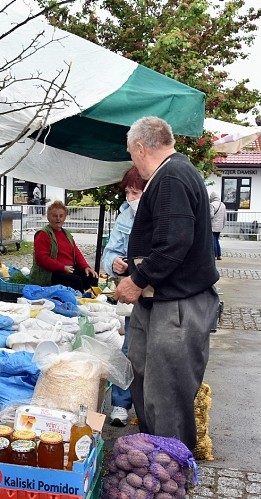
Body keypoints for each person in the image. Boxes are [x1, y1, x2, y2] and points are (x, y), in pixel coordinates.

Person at [114, 116, 219, 452]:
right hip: (167, 301)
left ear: (141, 147)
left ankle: (167, 470)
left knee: (168, 391)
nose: (133, 161)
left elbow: (174, 243)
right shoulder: (174, 172)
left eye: (132, 154)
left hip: (177, 305)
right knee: (152, 381)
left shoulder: (172, 176)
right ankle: (156, 460)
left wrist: (137, 280)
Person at [101, 167, 146, 427]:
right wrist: (114, 263)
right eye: (128, 192)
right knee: (128, 349)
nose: (130, 198)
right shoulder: (125, 215)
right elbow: (109, 253)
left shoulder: (163, 212)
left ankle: (147, 407)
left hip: (159, 296)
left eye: (135, 192)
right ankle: (120, 404)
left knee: (153, 353)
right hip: (132, 297)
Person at [30, 200, 99, 291]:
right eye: (54, 216)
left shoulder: (66, 234)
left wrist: (86, 267)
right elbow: (41, 259)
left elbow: (76, 253)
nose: (58, 219)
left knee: (92, 276)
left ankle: (90, 301)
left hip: (68, 268)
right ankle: (79, 302)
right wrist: (62, 267)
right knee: (75, 280)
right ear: (48, 217)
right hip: (51, 273)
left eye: (61, 216)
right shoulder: (43, 234)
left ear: (65, 217)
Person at [209, 191, 226, 260]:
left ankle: (214, 255)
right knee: (217, 240)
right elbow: (225, 217)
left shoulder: (212, 204)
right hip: (220, 226)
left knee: (213, 240)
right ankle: (219, 255)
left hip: (213, 225)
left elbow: (211, 215)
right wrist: (223, 225)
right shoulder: (223, 205)